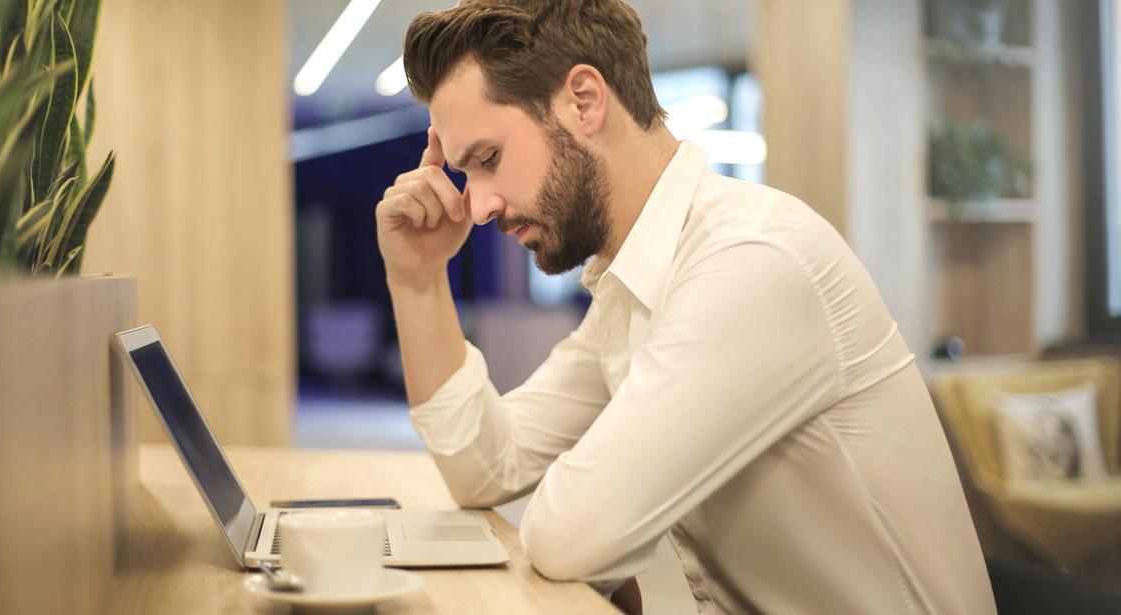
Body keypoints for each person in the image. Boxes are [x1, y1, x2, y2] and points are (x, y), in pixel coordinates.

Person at [373, 1, 996, 613]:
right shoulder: (635, 282)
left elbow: (572, 535)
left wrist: (590, 525)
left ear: (584, 101)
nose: (478, 207)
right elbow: (487, 468)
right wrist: (419, 280)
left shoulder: (751, 260)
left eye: (488, 160)